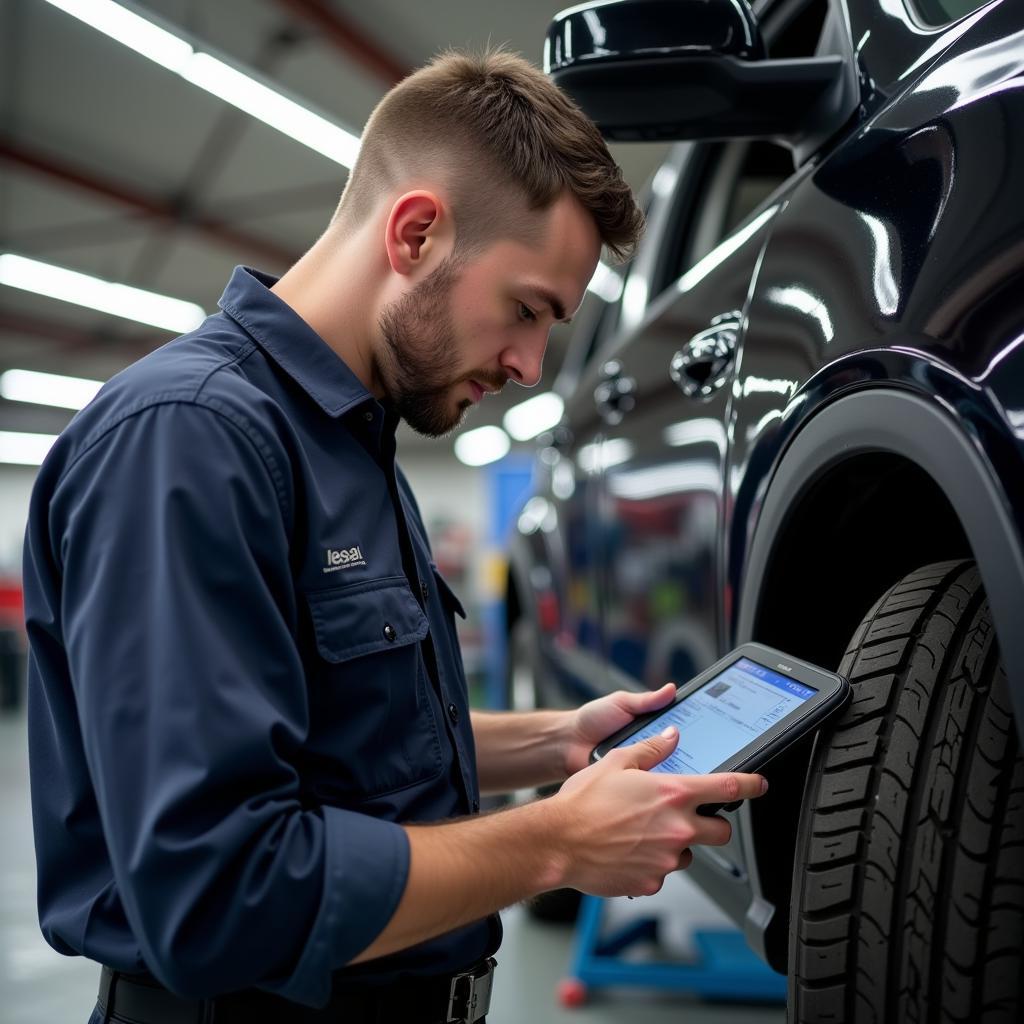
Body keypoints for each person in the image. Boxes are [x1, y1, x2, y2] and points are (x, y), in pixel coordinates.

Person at [22, 48, 768, 1024]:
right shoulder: (191, 439)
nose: (533, 366)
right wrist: (553, 841)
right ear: (416, 233)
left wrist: (557, 740)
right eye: (526, 309)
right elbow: (216, 895)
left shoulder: (358, 443)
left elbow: (342, 737)